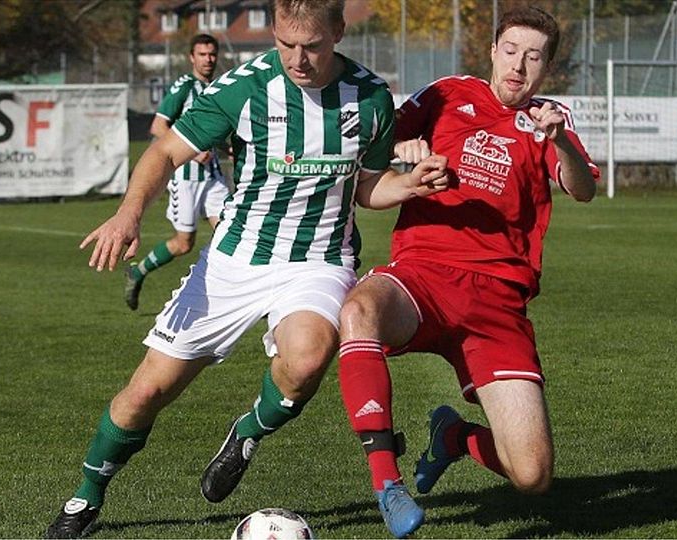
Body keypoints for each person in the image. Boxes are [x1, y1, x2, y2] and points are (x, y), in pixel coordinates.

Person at [44, 0, 448, 537]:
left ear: (339, 33)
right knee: (146, 394)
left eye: (312, 46)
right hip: (235, 259)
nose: (298, 59)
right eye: (285, 44)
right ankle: (87, 496)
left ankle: (247, 432)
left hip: (319, 259)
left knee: (306, 361)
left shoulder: (371, 96)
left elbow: (369, 188)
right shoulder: (245, 88)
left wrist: (410, 183)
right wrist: (128, 214)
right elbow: (164, 152)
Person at [336, 6, 600, 538]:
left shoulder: (548, 120)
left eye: (534, 57)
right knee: (358, 309)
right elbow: (371, 148)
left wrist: (562, 142)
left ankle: (452, 438)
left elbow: (582, 187)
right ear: (492, 52)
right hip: (423, 274)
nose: (520, 66)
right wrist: (401, 149)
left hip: (498, 304)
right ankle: (387, 484)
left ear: (546, 67)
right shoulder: (446, 94)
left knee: (533, 475)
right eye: (511, 51)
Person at [123, 33, 231, 311]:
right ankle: (139, 271)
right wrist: (194, 152)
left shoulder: (221, 87)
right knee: (184, 244)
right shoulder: (184, 86)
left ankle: (227, 296)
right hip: (185, 179)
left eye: (212, 54)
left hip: (213, 178)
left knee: (230, 234)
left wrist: (227, 148)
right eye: (202, 54)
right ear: (191, 57)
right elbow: (158, 128)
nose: (208, 59)